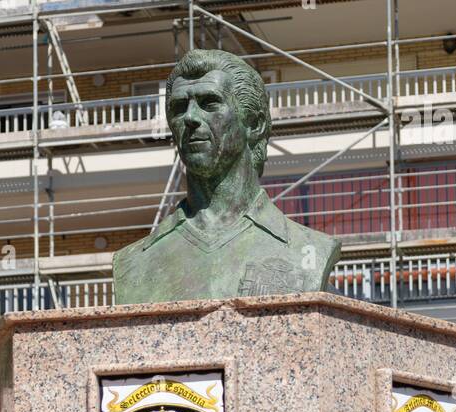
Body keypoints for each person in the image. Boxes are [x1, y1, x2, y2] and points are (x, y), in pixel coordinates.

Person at [114, 48, 340, 305]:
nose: (190, 117)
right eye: (179, 108)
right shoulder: (134, 262)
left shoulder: (308, 251)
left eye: (209, 103)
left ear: (255, 124)